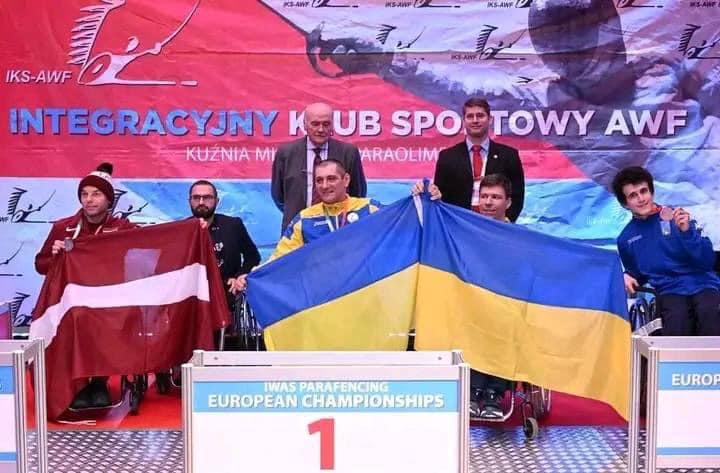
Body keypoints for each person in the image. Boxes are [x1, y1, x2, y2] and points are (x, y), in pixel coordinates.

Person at [34, 162, 137, 409]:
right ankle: (79, 384)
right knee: (77, 316)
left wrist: (192, 228)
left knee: (103, 317)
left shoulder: (122, 228)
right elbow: (40, 265)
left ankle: (99, 382)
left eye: (96, 194)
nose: (89, 200)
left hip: (108, 300)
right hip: (68, 302)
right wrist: (55, 256)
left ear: (109, 200)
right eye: (84, 194)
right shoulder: (63, 227)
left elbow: (156, 242)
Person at [612, 166, 720, 336]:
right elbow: (637, 274)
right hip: (669, 290)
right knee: (677, 321)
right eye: (633, 195)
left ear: (652, 192)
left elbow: (707, 261)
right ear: (625, 204)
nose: (641, 199)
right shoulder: (626, 239)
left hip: (703, 284)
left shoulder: (679, 217)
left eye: (644, 191)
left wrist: (686, 232)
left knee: (709, 315)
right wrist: (627, 275)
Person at [271, 102, 367, 232]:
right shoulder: (286, 153)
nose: (321, 129)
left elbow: (358, 193)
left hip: (339, 230)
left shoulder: (348, 152)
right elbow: (279, 196)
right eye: (315, 124)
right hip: (297, 230)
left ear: (332, 125)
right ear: (304, 125)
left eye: (326, 124)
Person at [433, 97, 525, 222]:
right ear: (464, 121)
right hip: (459, 225)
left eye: (480, 116)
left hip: (495, 225)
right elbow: (440, 197)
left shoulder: (509, 155)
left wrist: (505, 224)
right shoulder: (447, 157)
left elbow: (517, 196)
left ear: (490, 119)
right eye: (470, 116)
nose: (475, 120)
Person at [188, 180, 260, 299]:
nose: (201, 202)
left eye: (207, 198)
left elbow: (253, 257)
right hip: (193, 297)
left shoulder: (233, 225)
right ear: (189, 201)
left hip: (228, 294)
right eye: (196, 198)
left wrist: (240, 276)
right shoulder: (181, 230)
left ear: (217, 201)